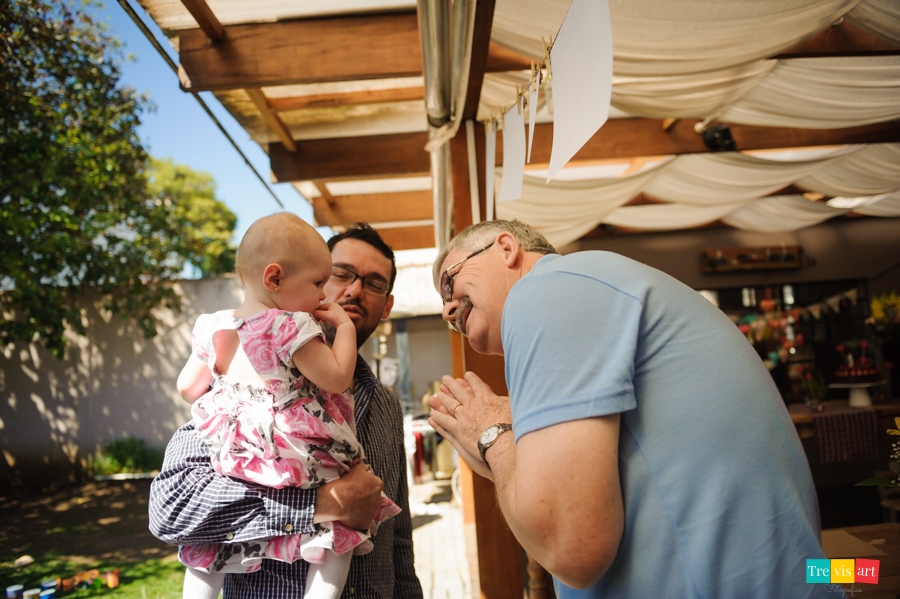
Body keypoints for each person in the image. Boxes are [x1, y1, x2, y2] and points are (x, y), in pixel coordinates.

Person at [427, 220, 829, 599]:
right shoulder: (592, 287)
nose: (447, 311)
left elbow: (571, 546)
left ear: (506, 249)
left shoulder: (548, 288)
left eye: (450, 282)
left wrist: (494, 439)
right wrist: (507, 453)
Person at [150, 221, 423, 599]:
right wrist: (321, 505)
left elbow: (399, 542)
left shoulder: (385, 404)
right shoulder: (232, 380)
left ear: (388, 305)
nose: (356, 289)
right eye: (339, 274)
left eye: (375, 283)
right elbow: (172, 509)